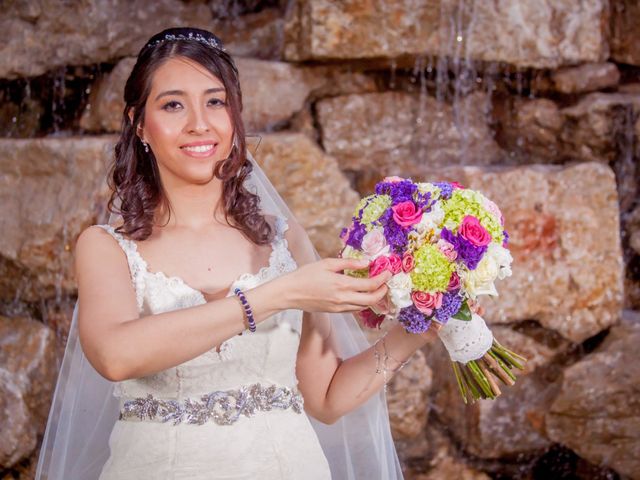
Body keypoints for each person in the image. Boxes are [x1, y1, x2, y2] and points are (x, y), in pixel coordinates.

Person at [35, 28, 439, 480]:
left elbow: (325, 398)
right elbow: (115, 355)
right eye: (173, 105)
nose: (199, 123)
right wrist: (276, 296)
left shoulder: (286, 241)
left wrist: (415, 333)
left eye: (215, 101)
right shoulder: (106, 247)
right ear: (138, 123)